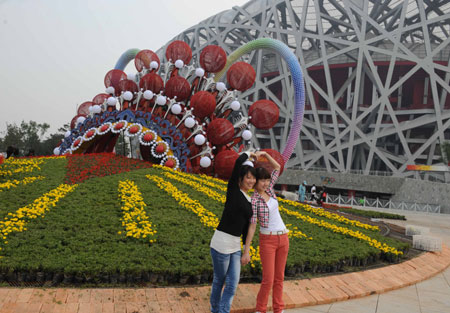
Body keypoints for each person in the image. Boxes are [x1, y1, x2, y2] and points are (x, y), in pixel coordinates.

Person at [209, 151, 257, 313]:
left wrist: (246, 250)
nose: (251, 181)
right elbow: (237, 164)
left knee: (232, 284)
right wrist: (250, 154)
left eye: (253, 178)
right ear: (241, 178)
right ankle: (215, 310)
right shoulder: (233, 191)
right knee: (219, 281)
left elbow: (246, 228)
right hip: (221, 244)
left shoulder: (250, 201)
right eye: (248, 177)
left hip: (235, 246)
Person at [242, 151, 289, 313]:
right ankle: (260, 309)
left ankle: (278, 309)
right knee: (268, 279)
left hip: (283, 238)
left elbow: (277, 167)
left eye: (267, 180)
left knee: (279, 278)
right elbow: (252, 226)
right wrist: (246, 250)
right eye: (262, 180)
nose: (266, 183)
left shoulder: (270, 191)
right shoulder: (254, 200)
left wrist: (264, 155)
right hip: (267, 240)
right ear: (255, 182)